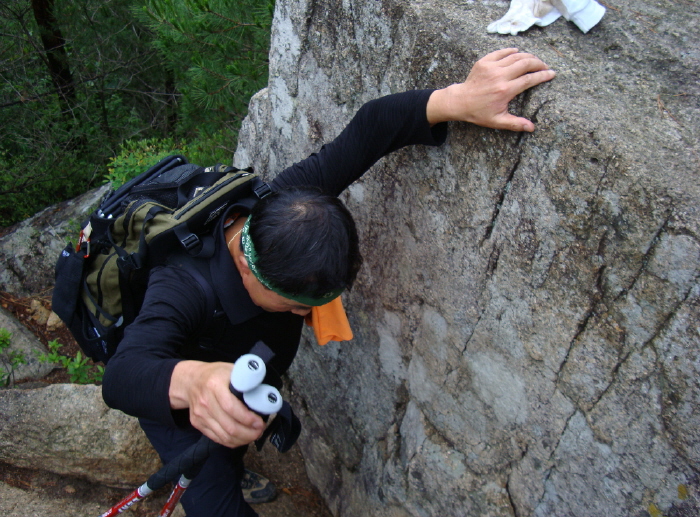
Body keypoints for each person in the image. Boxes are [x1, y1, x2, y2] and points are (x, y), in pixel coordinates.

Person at [102, 47, 556, 516]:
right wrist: (195, 383)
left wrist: (456, 98)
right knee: (216, 502)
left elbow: (371, 128)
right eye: (297, 306)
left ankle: (233, 464)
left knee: (231, 437)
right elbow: (123, 375)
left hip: (236, 367)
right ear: (247, 270)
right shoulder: (182, 285)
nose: (305, 315)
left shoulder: (288, 207)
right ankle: (221, 475)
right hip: (178, 385)